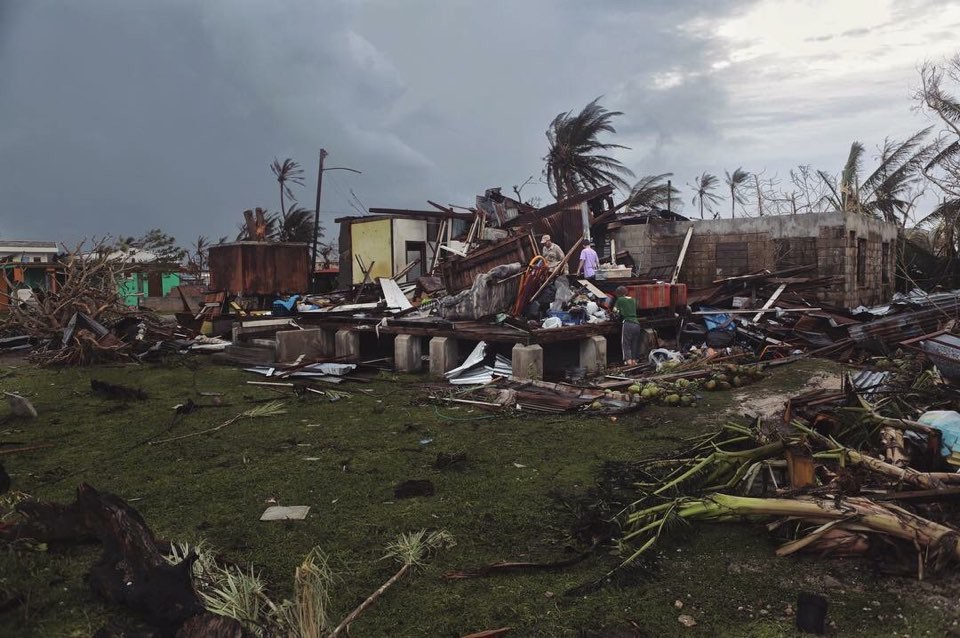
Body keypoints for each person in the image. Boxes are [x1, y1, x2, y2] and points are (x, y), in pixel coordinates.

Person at [614, 285, 643, 365]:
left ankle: (629, 362)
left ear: (618, 294)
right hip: (637, 324)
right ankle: (634, 361)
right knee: (634, 343)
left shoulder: (620, 300)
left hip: (628, 323)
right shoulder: (633, 300)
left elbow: (615, 311)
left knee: (626, 344)